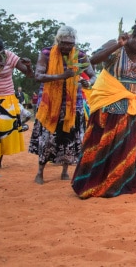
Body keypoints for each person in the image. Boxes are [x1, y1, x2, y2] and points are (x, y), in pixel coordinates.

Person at [71, 17, 136, 198]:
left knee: (131, 143)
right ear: (133, 37)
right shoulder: (116, 45)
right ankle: (100, 181)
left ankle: (126, 181)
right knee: (107, 141)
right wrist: (117, 45)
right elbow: (93, 60)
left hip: (134, 102)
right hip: (111, 100)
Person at [29, 26, 97, 184]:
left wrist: (87, 82)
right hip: (50, 103)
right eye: (64, 43)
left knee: (70, 138)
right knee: (47, 138)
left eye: (70, 43)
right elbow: (38, 76)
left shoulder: (80, 56)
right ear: (57, 41)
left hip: (74, 104)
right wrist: (61, 76)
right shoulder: (46, 53)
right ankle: (40, 172)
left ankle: (65, 171)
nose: (67, 46)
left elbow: (93, 75)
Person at [0, 37, 34, 168]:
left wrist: (29, 67)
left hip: (6, 98)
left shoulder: (9, 56)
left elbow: (29, 74)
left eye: (1, 52)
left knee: (2, 129)